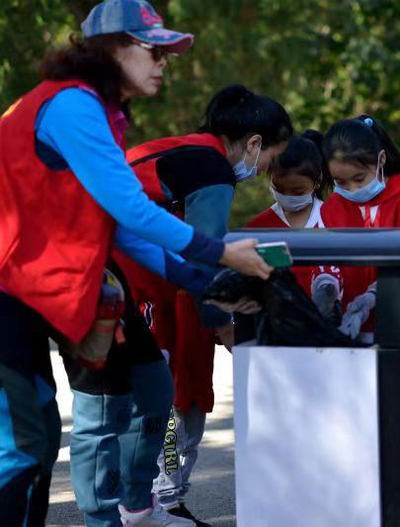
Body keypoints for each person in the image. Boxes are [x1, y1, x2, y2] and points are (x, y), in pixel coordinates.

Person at [0, 1, 269, 525]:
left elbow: (115, 225)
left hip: (58, 282)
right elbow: (130, 208)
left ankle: (135, 507)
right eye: (155, 49)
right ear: (113, 50)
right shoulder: (73, 107)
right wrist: (217, 252)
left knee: (151, 385)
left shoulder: (99, 112)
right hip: (11, 289)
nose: (165, 62)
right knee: (28, 441)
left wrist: (201, 279)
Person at [116, 84, 292, 525]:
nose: (264, 168)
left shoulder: (182, 149)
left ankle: (137, 503)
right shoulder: (213, 169)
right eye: (270, 158)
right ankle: (133, 506)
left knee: (140, 397)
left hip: (126, 269)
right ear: (254, 144)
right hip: (129, 277)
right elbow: (205, 250)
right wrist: (224, 324)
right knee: (151, 397)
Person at [318, 115, 400, 343]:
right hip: (350, 328)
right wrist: (326, 286)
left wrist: (373, 297)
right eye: (341, 182)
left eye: (359, 178)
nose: (352, 190)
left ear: (381, 159)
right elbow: (328, 261)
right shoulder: (331, 208)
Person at [246, 130, 332, 305]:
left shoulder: (334, 221)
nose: (288, 196)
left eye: (297, 191)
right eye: (279, 189)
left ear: (317, 181)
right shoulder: (258, 228)